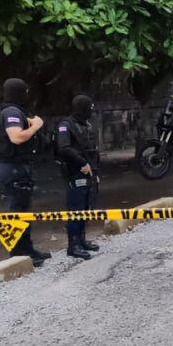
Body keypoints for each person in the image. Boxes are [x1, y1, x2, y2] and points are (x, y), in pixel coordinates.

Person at [0, 78, 51, 266]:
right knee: (14, 213)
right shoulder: (11, 112)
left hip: (17, 168)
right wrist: (36, 126)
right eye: (25, 92)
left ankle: (28, 250)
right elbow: (16, 137)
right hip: (11, 169)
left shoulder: (15, 111)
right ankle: (17, 257)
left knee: (23, 212)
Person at [56, 95, 100, 260]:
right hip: (75, 172)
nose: (91, 112)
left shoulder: (85, 124)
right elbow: (64, 148)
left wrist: (95, 171)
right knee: (76, 208)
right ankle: (73, 245)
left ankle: (81, 240)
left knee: (86, 206)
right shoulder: (66, 126)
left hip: (89, 171)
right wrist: (82, 163)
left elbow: (91, 148)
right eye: (89, 108)